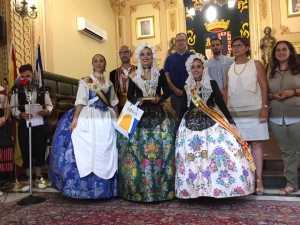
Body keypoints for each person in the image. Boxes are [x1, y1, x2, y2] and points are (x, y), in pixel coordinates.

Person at [175, 54, 255, 198]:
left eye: (198, 66)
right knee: (193, 157)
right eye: (193, 67)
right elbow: (183, 108)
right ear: (189, 69)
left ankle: (216, 188)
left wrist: (231, 122)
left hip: (211, 121)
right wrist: (177, 128)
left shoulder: (212, 84)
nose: (196, 70)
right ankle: (195, 189)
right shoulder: (187, 86)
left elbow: (221, 103)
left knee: (216, 153)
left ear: (203, 68)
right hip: (189, 124)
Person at [49, 54, 119, 199]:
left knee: (107, 146)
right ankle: (85, 189)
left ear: (105, 64)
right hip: (89, 114)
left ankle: (105, 188)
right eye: (96, 61)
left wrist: (117, 119)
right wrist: (75, 119)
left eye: (101, 61)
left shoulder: (109, 83)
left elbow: (113, 102)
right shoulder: (85, 81)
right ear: (92, 64)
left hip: (106, 116)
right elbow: (80, 101)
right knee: (86, 145)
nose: (98, 63)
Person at [118, 43, 177, 202]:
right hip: (139, 114)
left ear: (152, 57)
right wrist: (137, 100)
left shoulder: (160, 72)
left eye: (148, 54)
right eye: (143, 54)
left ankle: (161, 189)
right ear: (139, 57)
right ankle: (137, 188)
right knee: (137, 151)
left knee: (161, 150)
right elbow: (130, 95)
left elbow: (168, 91)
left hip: (158, 113)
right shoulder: (133, 75)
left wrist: (160, 98)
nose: (145, 57)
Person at [225, 36, 269, 195]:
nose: (236, 48)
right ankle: (245, 179)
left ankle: (258, 179)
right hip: (235, 112)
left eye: (239, 45)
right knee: (240, 147)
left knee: (256, 144)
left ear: (247, 48)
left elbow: (264, 86)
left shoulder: (255, 64)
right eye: (233, 46)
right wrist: (225, 115)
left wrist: (265, 107)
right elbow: (227, 92)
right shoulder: (229, 68)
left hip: (254, 110)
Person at [10, 64, 53, 192]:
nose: (26, 79)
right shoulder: (17, 90)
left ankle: (38, 179)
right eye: (23, 77)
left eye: (28, 76)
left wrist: (46, 110)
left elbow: (50, 105)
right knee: (26, 151)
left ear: (33, 75)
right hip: (25, 124)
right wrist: (20, 114)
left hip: (40, 124)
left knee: (39, 150)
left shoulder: (41, 88)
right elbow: (13, 108)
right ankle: (28, 181)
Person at [268, 41, 300, 195]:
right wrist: (274, 95)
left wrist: (293, 92)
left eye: (284, 49)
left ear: (290, 51)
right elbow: (264, 92)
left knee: (299, 151)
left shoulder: (297, 68)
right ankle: (292, 183)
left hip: (296, 114)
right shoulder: (271, 71)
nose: (281, 52)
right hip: (276, 117)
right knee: (287, 152)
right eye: (278, 50)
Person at [164, 33, 194, 124]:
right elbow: (166, 77)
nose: (180, 42)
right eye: (178, 40)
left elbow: (197, 74)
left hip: (191, 94)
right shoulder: (169, 59)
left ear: (186, 42)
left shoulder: (193, 56)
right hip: (175, 95)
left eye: (182, 40)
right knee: (177, 121)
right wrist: (175, 89)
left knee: (191, 119)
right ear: (175, 43)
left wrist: (188, 88)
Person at [110, 45, 136, 112]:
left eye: (126, 52)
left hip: (136, 106)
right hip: (120, 107)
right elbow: (112, 94)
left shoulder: (138, 70)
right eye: (121, 53)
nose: (123, 55)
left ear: (131, 54)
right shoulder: (113, 73)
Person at [0, 86, 13, 197]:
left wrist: (5, 117)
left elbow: (7, 107)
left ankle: (3, 180)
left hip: (3, 122)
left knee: (4, 149)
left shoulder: (2, 89)